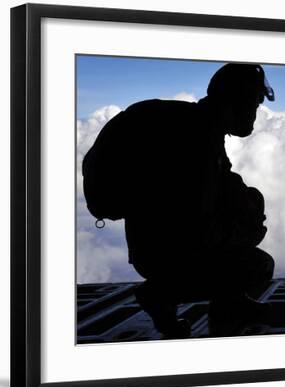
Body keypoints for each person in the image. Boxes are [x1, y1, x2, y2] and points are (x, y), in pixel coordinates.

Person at [85, 63, 275, 338]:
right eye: (254, 104)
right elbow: (201, 224)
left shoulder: (195, 127)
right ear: (239, 100)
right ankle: (165, 297)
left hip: (153, 249)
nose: (255, 114)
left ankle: (219, 299)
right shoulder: (198, 141)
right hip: (168, 256)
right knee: (257, 266)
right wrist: (249, 224)